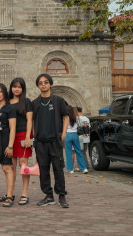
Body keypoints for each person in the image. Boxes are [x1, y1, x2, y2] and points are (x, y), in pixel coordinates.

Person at [32, 73, 70, 208]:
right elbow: (31, 120)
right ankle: (48, 195)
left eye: (46, 82)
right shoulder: (35, 103)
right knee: (43, 169)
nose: (43, 85)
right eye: (40, 83)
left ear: (50, 84)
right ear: (38, 86)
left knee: (58, 168)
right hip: (40, 142)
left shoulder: (58, 100)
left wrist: (63, 134)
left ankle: (61, 195)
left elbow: (65, 117)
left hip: (55, 141)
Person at [9, 77, 33, 206]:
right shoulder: (7, 102)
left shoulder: (27, 102)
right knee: (11, 167)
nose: (17, 89)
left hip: (24, 135)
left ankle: (25, 193)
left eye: (19, 86)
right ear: (11, 88)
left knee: (23, 166)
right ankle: (11, 193)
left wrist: (28, 137)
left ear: (22, 89)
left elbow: (30, 120)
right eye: (14, 86)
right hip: (10, 136)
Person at [65, 106, 88, 174]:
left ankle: (70, 169)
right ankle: (84, 168)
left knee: (68, 152)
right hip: (75, 134)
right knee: (78, 151)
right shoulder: (77, 118)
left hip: (68, 134)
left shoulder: (66, 118)